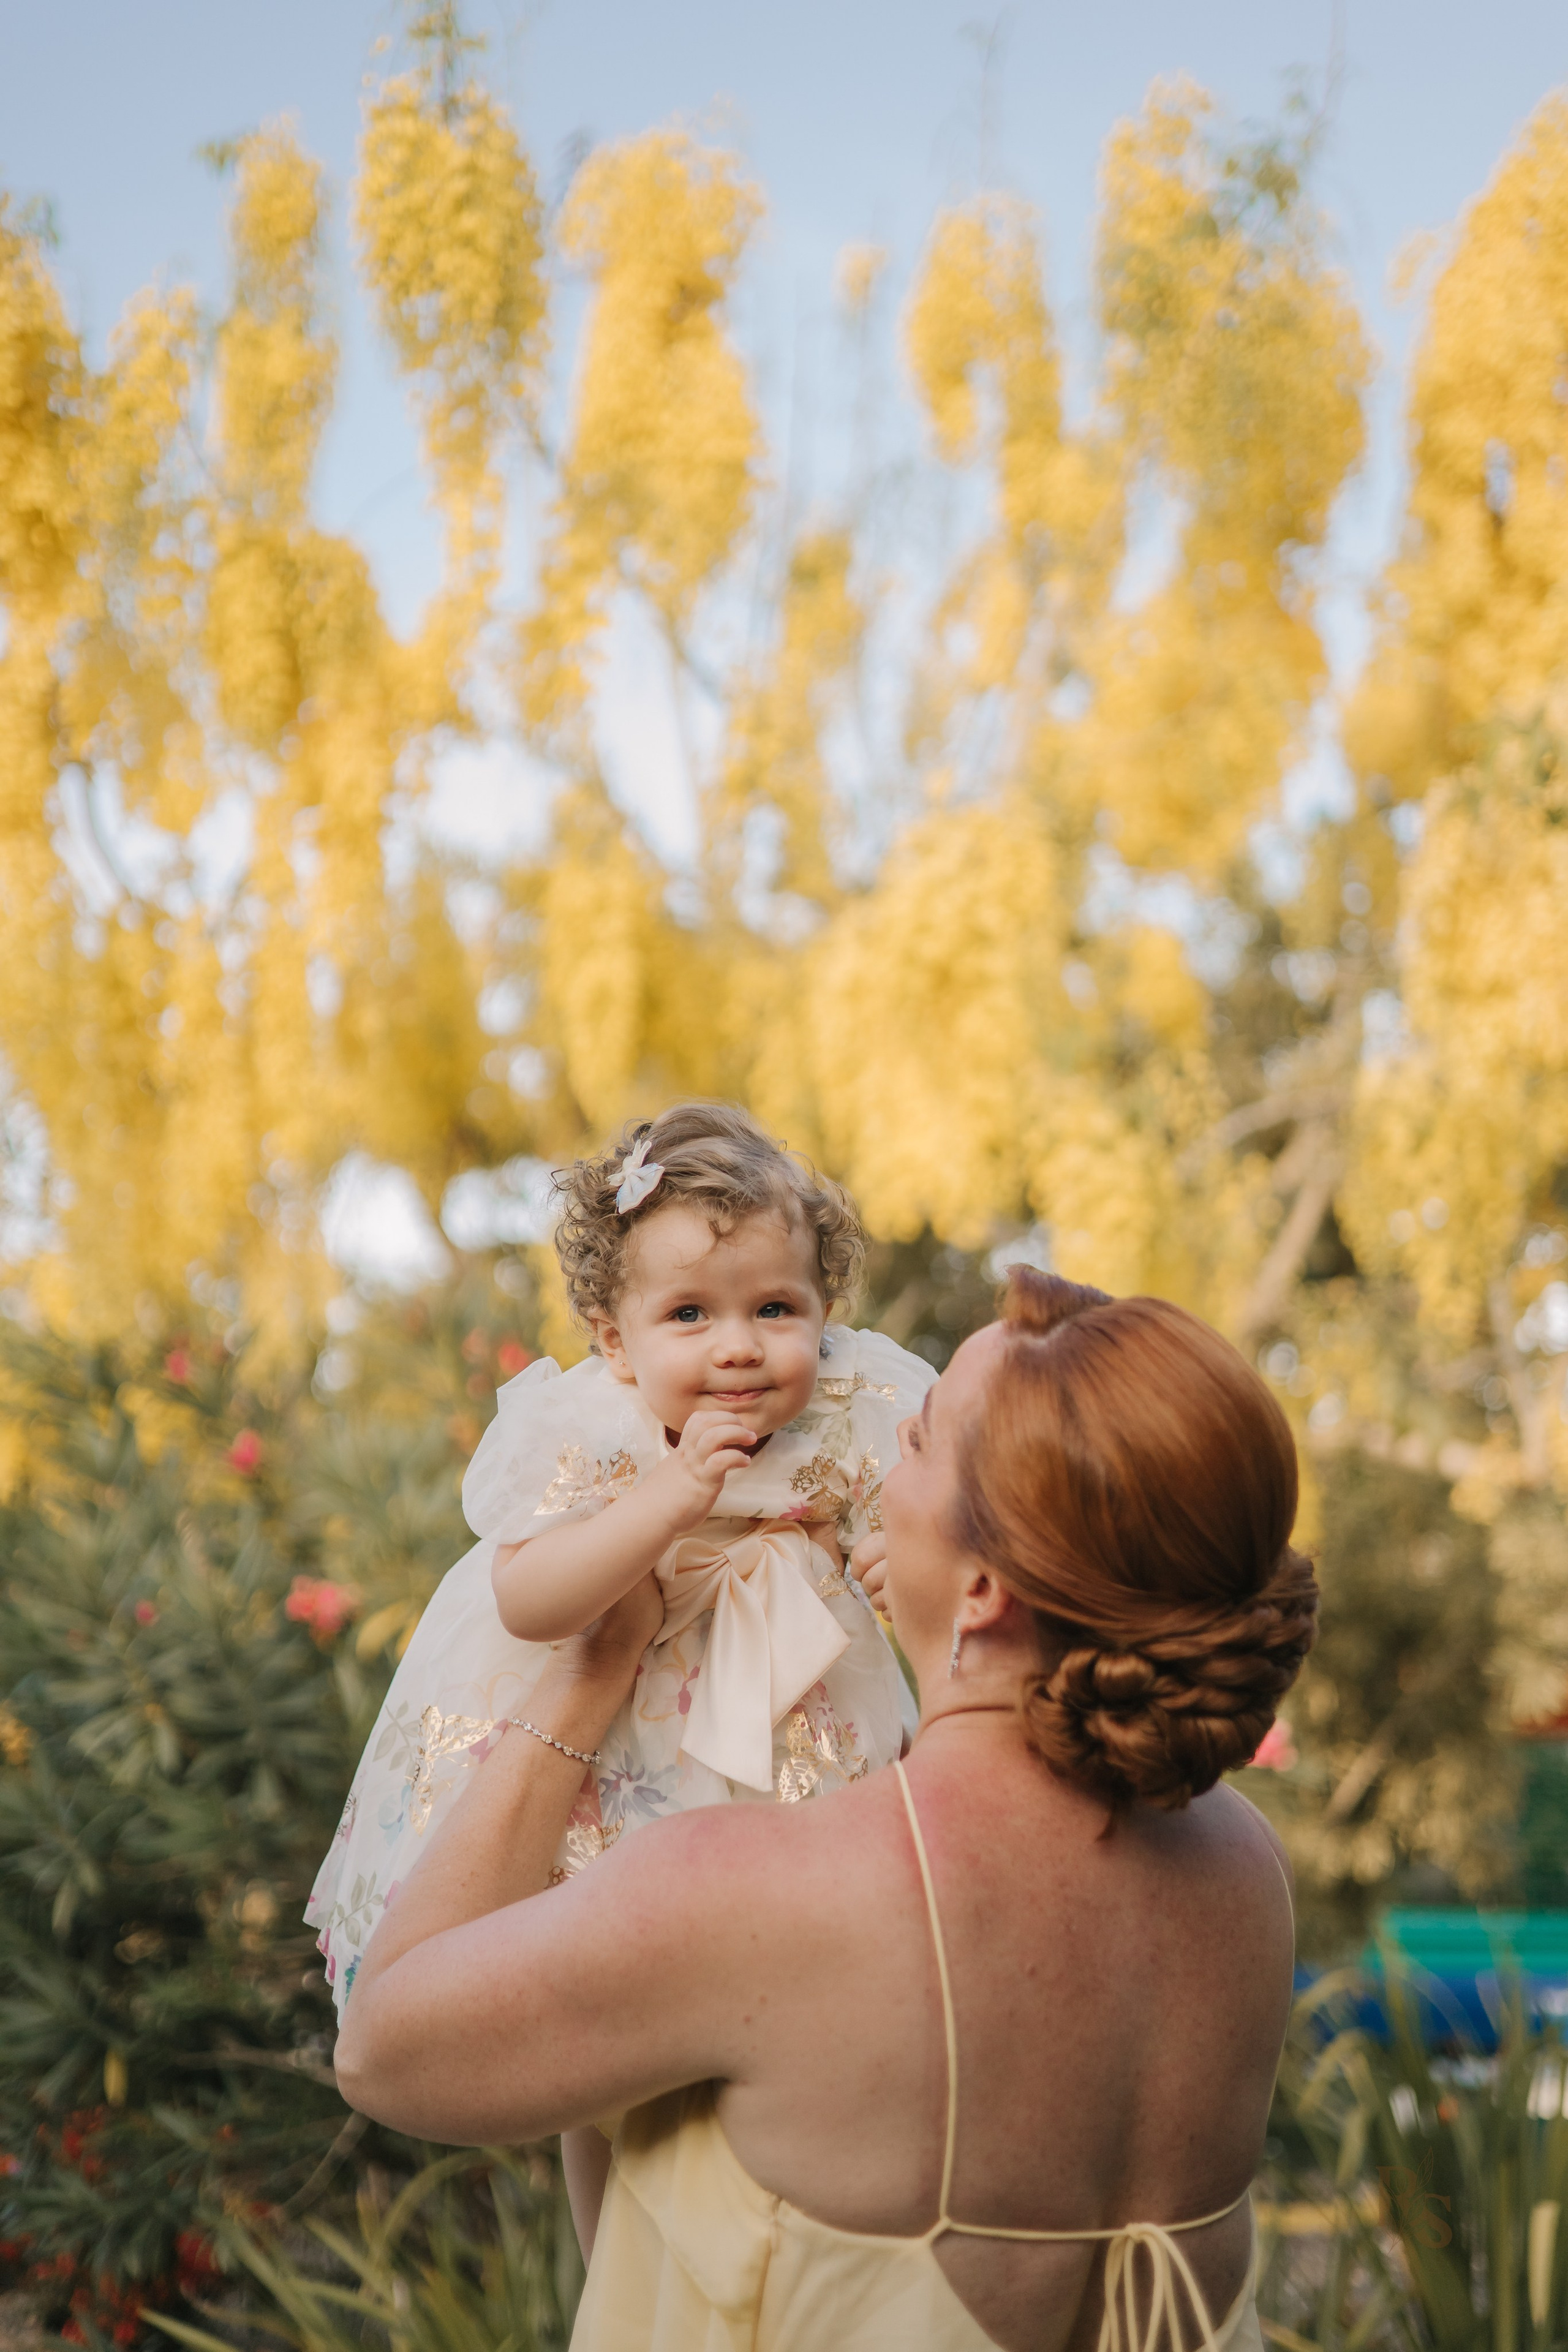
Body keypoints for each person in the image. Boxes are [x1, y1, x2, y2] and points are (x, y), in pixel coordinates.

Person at [335, 1268, 1319, 2352]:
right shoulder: (1241, 1871)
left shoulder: (762, 1897)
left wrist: (591, 1670)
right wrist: (945, 1657)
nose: (884, 1454)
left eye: (916, 1443)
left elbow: (385, 2048)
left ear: (987, 1593)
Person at [307, 1102, 932, 2236]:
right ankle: (617, 2290)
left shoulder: (855, 1403)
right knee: (608, 2068)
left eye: (775, 1309)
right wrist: (667, 1502)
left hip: (794, 1730)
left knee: (786, 2009)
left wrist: (894, 1563)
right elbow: (527, 1593)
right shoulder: (592, 1427)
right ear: (613, 1336)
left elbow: (911, 1521)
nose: (738, 1344)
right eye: (689, 1313)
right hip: (621, 1765)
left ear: (825, 1314)